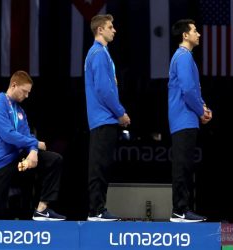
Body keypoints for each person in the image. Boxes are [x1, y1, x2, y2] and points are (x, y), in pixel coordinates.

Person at [0, 70, 66, 221]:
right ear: (14, 85)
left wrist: (33, 150)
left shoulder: (20, 110)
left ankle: (42, 209)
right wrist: (35, 144)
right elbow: (8, 134)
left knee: (54, 160)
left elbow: (27, 135)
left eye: (29, 92)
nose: (27, 96)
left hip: (17, 160)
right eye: (25, 91)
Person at [84, 14, 131, 221]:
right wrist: (120, 113)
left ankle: (97, 209)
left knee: (101, 165)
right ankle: (96, 210)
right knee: (100, 166)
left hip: (102, 118)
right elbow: (104, 89)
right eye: (110, 27)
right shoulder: (99, 53)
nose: (115, 30)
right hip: (104, 118)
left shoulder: (100, 53)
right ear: (100, 30)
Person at [168, 19, 212, 222]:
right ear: (185, 35)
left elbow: (193, 89)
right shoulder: (183, 57)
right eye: (195, 30)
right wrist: (200, 110)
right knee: (182, 166)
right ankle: (180, 210)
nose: (199, 34)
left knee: (186, 166)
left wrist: (202, 107)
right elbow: (187, 90)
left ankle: (182, 209)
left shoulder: (185, 57)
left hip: (187, 118)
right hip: (183, 119)